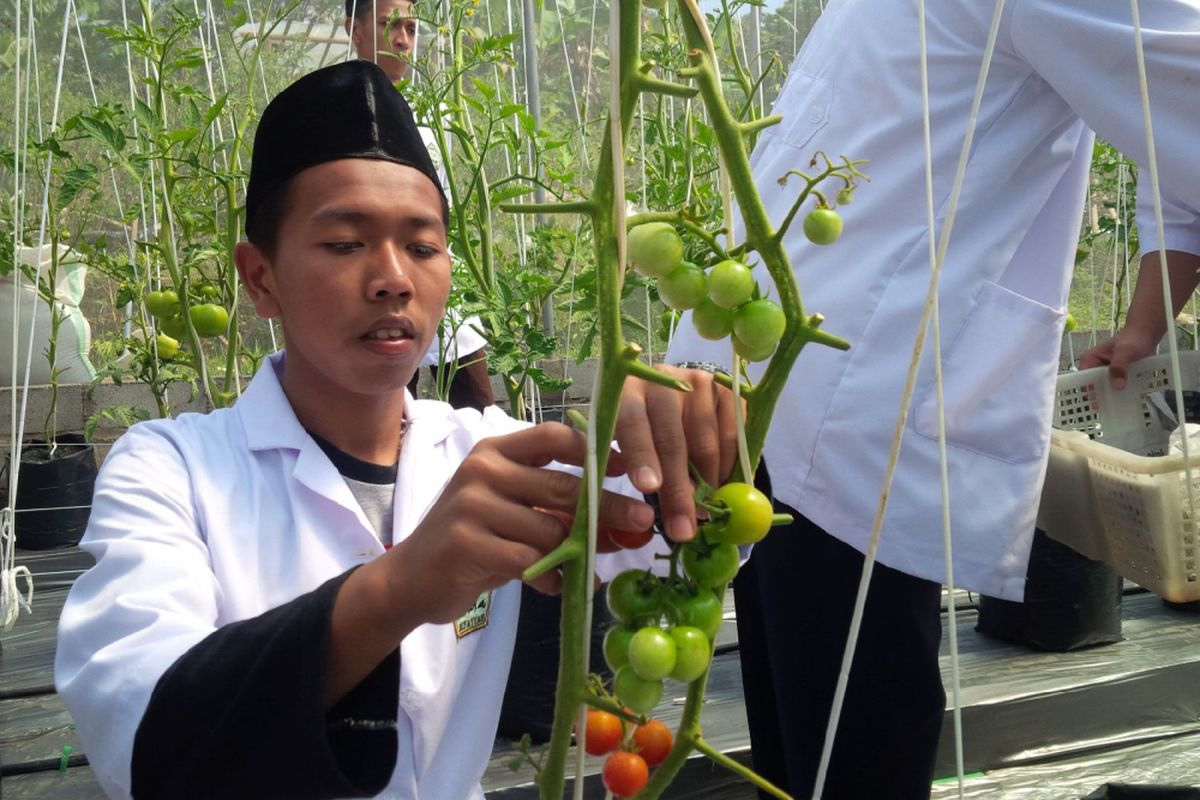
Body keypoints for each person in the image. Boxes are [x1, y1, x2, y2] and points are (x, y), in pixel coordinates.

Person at [55, 61, 740, 800]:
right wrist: (400, 588)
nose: (393, 279)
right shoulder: (170, 471)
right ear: (261, 279)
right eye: (345, 244)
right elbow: (143, 733)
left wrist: (686, 433)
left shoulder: (489, 451)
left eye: (421, 246)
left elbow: (683, 535)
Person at [666, 1, 1200, 797]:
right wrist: (1146, 320)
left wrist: (1151, 312)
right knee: (791, 743)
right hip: (759, 397)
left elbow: (1182, 101)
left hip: (857, 414)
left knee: (852, 741)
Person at [345, 0, 495, 411]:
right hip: (380, 276)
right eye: (390, 25)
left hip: (437, 267)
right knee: (390, 404)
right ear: (354, 30)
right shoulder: (340, 110)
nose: (403, 39)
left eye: (411, 28)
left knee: (478, 401)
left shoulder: (436, 109)